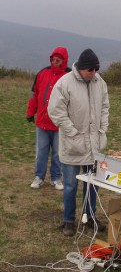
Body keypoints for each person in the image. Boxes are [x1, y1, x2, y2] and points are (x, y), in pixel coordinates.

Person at [48, 48, 110, 236]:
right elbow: (55, 111)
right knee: (70, 185)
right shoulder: (64, 83)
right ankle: (68, 220)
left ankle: (89, 216)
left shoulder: (100, 83)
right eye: (90, 70)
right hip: (73, 144)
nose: (93, 73)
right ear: (81, 68)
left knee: (92, 183)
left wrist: (102, 129)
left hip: (94, 145)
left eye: (96, 69)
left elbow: (105, 106)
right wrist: (72, 132)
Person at [26, 47, 71, 190]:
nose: (55, 61)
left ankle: (56, 178)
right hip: (42, 122)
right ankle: (39, 177)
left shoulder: (69, 76)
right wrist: (30, 112)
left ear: (64, 61)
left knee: (58, 153)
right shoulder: (42, 73)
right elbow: (35, 95)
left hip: (60, 124)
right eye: (53, 59)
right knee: (41, 152)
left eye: (58, 59)